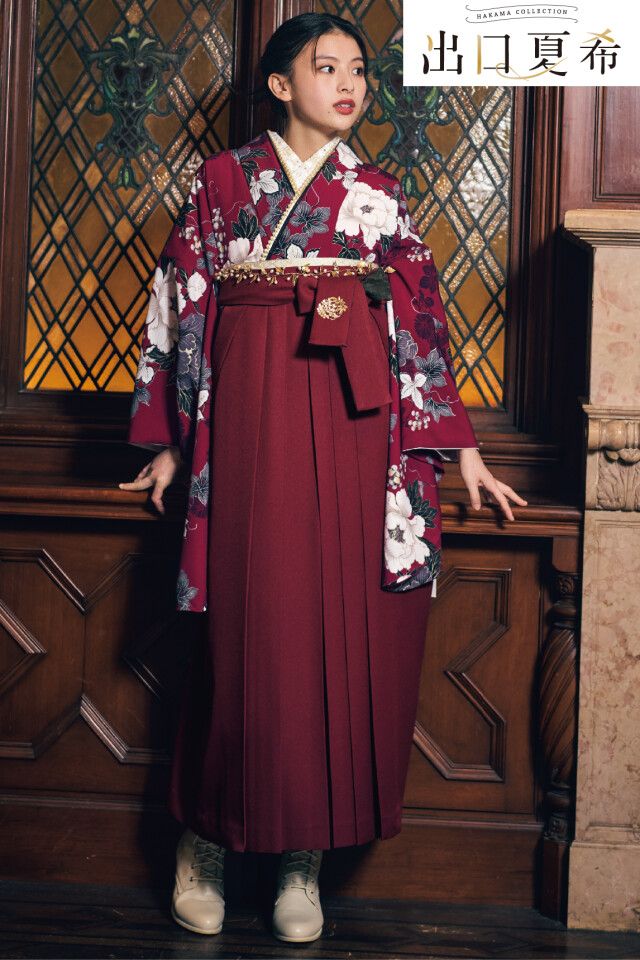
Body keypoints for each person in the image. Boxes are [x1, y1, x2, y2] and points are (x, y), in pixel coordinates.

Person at [120, 12, 527, 943]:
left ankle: (300, 862)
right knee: (248, 630)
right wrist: (170, 440)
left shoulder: (376, 193)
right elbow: (183, 299)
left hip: (356, 423)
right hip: (247, 414)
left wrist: (459, 448)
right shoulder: (223, 182)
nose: (349, 85)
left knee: (333, 627)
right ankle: (204, 841)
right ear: (279, 84)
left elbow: (418, 319)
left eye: (359, 71)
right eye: (326, 67)